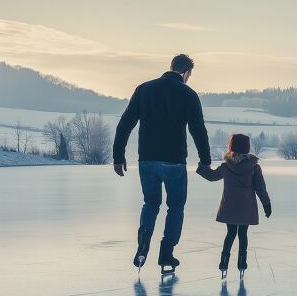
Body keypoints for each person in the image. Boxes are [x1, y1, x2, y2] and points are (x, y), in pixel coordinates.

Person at [113, 54, 211, 274]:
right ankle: (166, 253)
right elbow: (198, 130)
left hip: (146, 160)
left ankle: (142, 246)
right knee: (175, 206)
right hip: (174, 161)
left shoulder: (144, 89)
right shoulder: (188, 94)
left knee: (150, 203)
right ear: (186, 73)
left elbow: (125, 123)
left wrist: (118, 156)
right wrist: (205, 161)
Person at [197, 134, 271, 278]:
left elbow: (212, 176)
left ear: (231, 148)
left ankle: (224, 262)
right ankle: (242, 263)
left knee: (230, 233)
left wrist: (201, 168)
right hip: (246, 208)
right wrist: (266, 204)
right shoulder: (254, 167)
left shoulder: (226, 166)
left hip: (229, 207)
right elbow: (260, 188)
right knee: (243, 234)